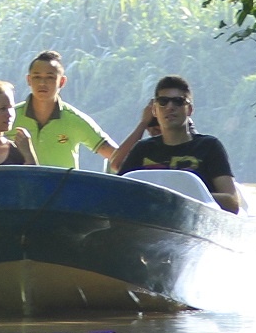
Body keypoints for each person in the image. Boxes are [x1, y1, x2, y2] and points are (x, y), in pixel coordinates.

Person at [110, 74, 243, 212]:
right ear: (154, 110)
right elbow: (116, 193)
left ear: (189, 109)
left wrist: (180, 196)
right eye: (163, 101)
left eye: (178, 101)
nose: (170, 107)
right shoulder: (143, 149)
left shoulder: (209, 146)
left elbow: (232, 203)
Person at [14, 49, 115, 169]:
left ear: (62, 82)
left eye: (50, 77)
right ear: (29, 80)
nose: (42, 83)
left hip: (63, 187)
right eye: (37, 77)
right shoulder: (9, 117)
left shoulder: (75, 120)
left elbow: (115, 156)